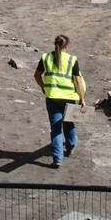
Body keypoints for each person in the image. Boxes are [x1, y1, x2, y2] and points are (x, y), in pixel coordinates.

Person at [34, 34, 86, 169]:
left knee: (55, 128)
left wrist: (43, 87)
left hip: (52, 97)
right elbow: (78, 80)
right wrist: (82, 98)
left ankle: (57, 158)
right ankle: (70, 146)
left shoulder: (46, 58)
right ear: (66, 46)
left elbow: (37, 75)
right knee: (69, 123)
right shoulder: (72, 59)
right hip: (70, 98)